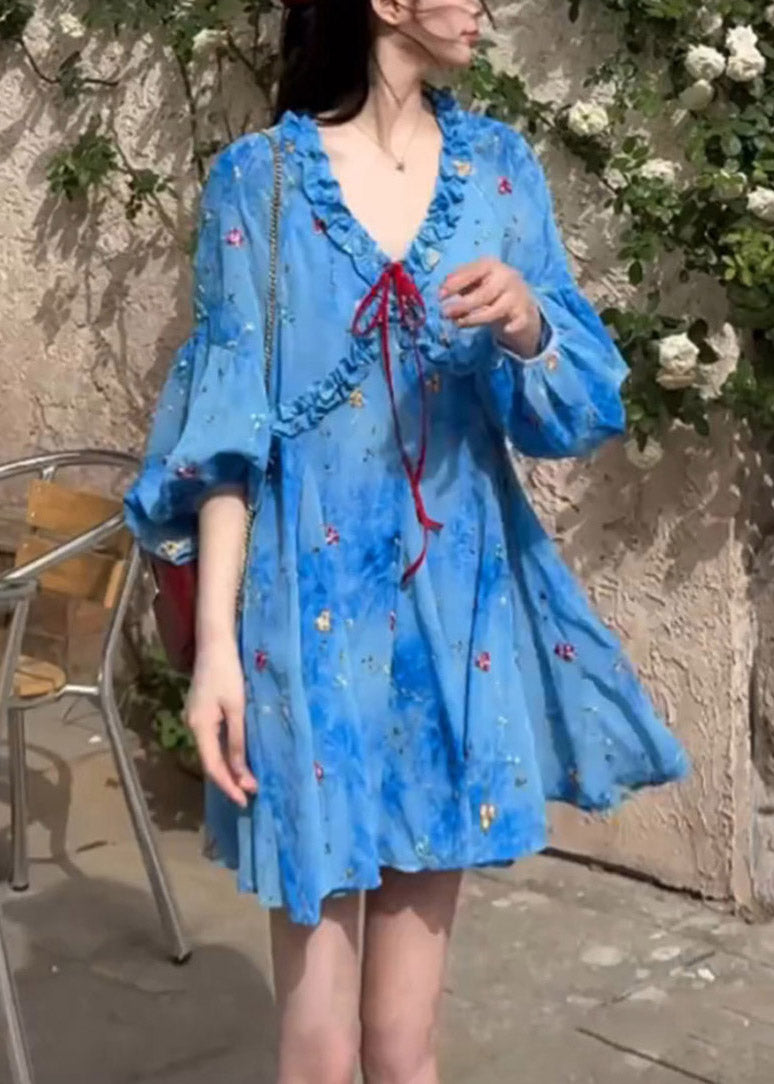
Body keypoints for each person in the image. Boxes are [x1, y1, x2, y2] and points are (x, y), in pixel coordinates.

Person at [125, 2, 690, 1081]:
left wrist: (527, 322)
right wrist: (217, 656)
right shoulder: (259, 183)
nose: (485, 8)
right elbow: (228, 442)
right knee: (318, 1051)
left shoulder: (501, 173)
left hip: (453, 628)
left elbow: (572, 412)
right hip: (307, 624)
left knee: (401, 1047)